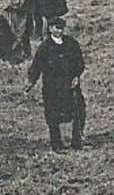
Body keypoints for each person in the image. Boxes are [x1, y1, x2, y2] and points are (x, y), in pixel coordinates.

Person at [26, 16, 86, 151]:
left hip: (70, 85)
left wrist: (77, 75)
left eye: (61, 28)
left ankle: (77, 141)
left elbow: (79, 62)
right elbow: (36, 66)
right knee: (53, 115)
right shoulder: (45, 47)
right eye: (56, 28)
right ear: (50, 28)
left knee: (78, 110)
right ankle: (56, 144)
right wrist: (30, 81)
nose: (59, 31)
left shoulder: (71, 44)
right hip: (52, 87)